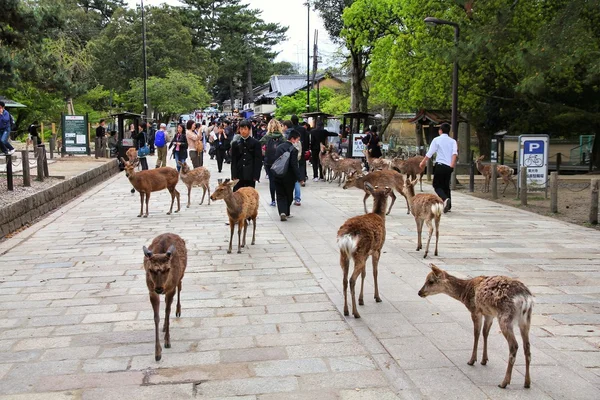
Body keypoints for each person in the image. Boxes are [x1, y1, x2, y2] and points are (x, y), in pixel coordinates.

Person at [419, 122, 457, 213]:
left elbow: (430, 152)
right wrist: (451, 166)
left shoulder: (436, 140)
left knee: (436, 185)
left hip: (440, 165)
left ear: (440, 131)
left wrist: (423, 162)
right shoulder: (453, 141)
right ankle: (449, 206)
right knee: (446, 185)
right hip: (449, 166)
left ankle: (445, 199)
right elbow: (454, 154)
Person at [274, 129, 304, 221]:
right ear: (292, 139)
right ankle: (286, 212)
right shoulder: (294, 150)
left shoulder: (279, 147)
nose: (298, 142)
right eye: (297, 140)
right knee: (288, 195)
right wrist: (300, 178)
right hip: (289, 176)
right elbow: (294, 165)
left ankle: (282, 212)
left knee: (280, 194)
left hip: (278, 174)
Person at [231, 119, 262, 191]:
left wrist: (256, 175)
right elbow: (234, 160)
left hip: (250, 174)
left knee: (249, 196)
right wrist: (233, 174)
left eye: (245, 129)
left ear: (249, 129)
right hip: (239, 173)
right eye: (241, 129)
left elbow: (258, 160)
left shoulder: (256, 143)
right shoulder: (235, 143)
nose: (243, 131)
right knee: (237, 195)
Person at [260, 119, 285, 207]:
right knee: (280, 181)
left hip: (269, 161)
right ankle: (280, 198)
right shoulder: (282, 136)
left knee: (272, 181)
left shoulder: (267, 136)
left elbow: (258, 144)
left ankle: (273, 200)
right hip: (280, 162)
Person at [283, 120, 303, 205]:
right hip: (295, 161)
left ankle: (286, 198)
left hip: (286, 163)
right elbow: (300, 152)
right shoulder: (297, 140)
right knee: (296, 181)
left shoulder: (284, 137)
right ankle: (297, 198)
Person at [291, 115, 309, 185]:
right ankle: (302, 179)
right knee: (302, 164)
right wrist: (306, 148)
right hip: (301, 148)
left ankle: (294, 178)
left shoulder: (291, 129)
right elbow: (306, 139)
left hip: (292, 148)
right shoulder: (303, 129)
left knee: (293, 163)